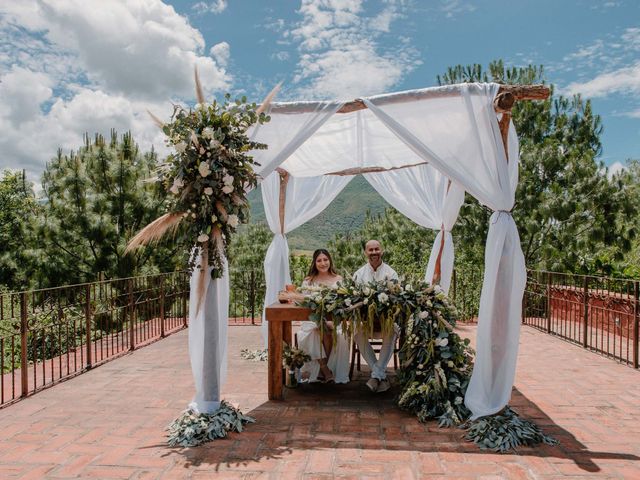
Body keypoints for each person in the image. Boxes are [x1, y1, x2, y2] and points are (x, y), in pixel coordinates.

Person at [297, 249, 350, 384]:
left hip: (333, 321)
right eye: (319, 260)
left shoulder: (338, 280)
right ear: (314, 263)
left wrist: (334, 321)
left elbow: (343, 303)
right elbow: (302, 302)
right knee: (316, 330)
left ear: (330, 261)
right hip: (312, 321)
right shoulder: (308, 281)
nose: (323, 263)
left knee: (327, 328)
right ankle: (325, 369)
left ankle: (323, 369)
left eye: (325, 259)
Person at [353, 239, 398, 393]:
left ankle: (375, 376)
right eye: (370, 250)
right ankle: (379, 375)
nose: (374, 252)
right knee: (357, 333)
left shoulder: (391, 273)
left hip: (386, 322)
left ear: (382, 250)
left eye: (376, 249)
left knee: (392, 331)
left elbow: (396, 298)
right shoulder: (359, 274)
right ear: (365, 253)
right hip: (365, 323)